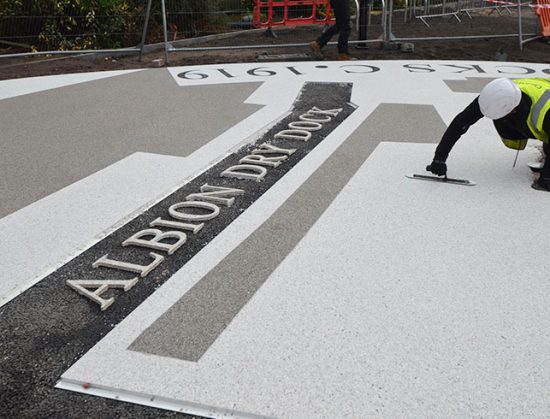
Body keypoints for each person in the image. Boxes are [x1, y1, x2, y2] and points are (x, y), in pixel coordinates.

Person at [426, 77, 550, 192]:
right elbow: (461, 123)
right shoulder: (495, 97)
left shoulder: (544, 111)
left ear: (514, 109)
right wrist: (439, 158)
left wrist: (546, 178)